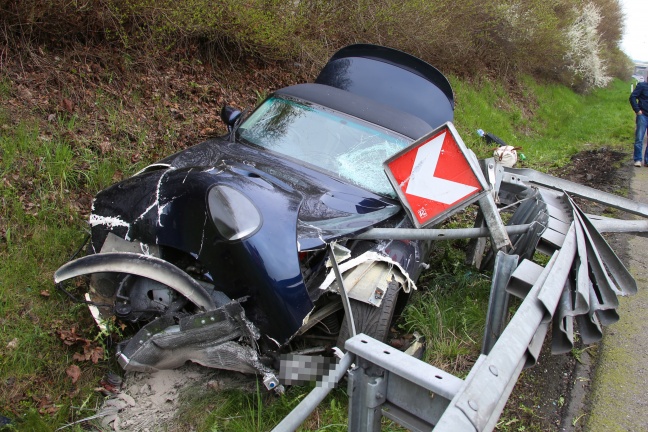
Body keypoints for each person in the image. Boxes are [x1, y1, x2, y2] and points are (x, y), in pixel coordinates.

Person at [629, 81, 648, 166]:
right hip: (643, 114)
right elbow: (632, 97)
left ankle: (647, 160)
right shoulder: (642, 85)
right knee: (639, 138)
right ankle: (638, 159)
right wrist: (637, 110)